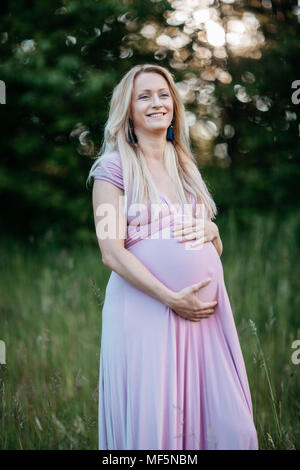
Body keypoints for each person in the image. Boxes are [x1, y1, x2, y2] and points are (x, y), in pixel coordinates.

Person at [87, 64, 259, 450]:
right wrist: (170, 298)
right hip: (147, 310)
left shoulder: (185, 166)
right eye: (143, 96)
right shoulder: (112, 168)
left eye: (163, 94)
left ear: (174, 106)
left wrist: (215, 234)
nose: (156, 103)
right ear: (127, 110)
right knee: (159, 426)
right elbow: (111, 252)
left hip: (202, 316)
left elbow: (212, 246)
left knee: (232, 427)